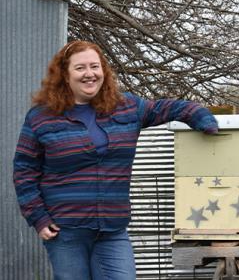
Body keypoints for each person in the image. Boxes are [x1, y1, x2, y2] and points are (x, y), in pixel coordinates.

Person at [12, 40, 219, 280]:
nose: (89, 74)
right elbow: (24, 170)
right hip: (65, 231)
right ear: (64, 75)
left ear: (104, 71)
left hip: (112, 229)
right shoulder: (42, 117)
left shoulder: (126, 107)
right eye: (80, 68)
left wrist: (203, 118)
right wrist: (37, 216)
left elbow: (167, 108)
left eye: (95, 66)